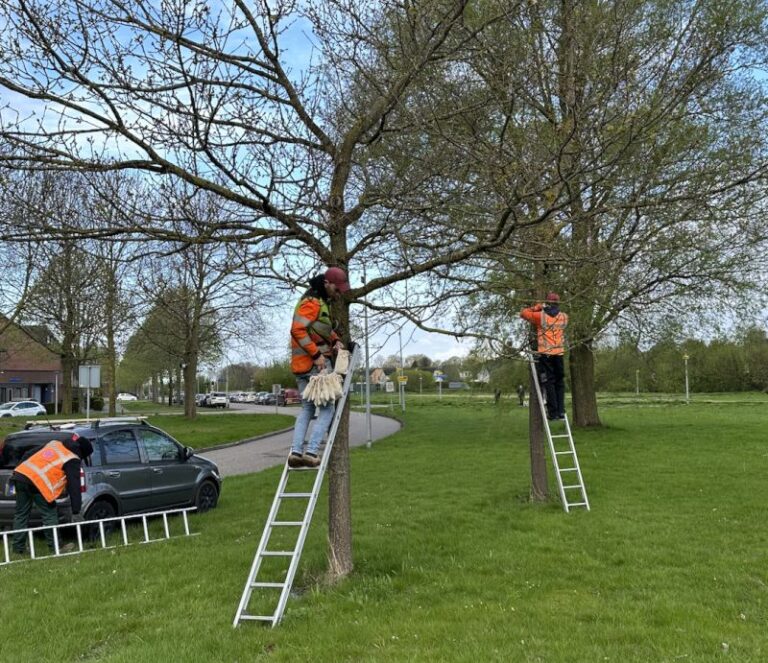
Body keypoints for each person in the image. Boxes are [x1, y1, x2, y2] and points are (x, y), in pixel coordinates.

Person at [287, 266, 350, 468]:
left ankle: (296, 452)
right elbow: (297, 329)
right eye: (336, 289)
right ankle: (312, 451)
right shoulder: (313, 302)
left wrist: (335, 340)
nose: (338, 293)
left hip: (302, 367)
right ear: (326, 283)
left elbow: (319, 329)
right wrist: (316, 355)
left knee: (306, 408)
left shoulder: (317, 302)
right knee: (327, 408)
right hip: (315, 366)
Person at [11, 433, 94, 555]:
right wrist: (76, 511)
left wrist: (18, 471)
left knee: (20, 514)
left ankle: (18, 549)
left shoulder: (54, 444)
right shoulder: (72, 459)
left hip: (20, 476)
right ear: (82, 452)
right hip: (38, 483)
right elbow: (74, 486)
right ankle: (56, 547)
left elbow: (28, 454)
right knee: (50, 514)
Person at [520, 292, 568, 420]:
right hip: (559, 353)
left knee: (549, 382)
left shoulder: (540, 316)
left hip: (546, 354)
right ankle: (561, 410)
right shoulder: (564, 317)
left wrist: (537, 307)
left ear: (547, 302)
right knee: (560, 382)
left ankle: (553, 413)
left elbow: (523, 313)